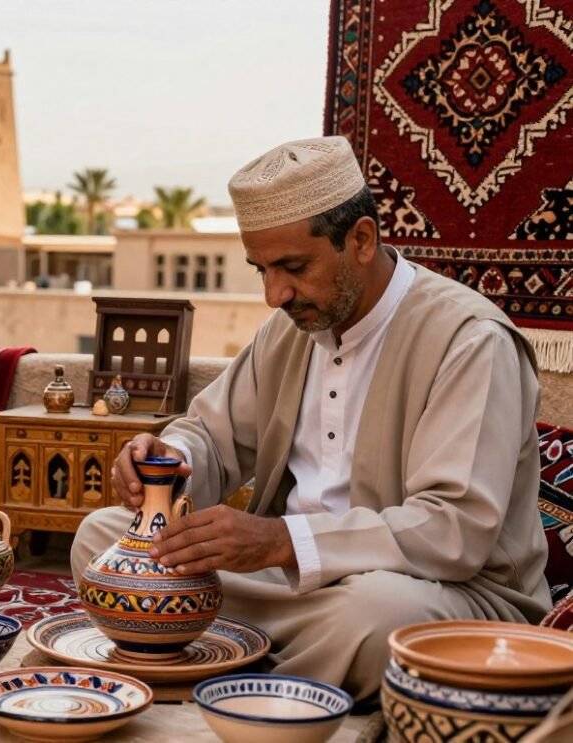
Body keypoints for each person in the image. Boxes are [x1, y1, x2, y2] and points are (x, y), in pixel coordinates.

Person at [70, 136, 551, 699]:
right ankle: (261, 670)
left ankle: (223, 668)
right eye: (261, 271)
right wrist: (173, 460)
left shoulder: (468, 341)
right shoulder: (292, 328)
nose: (274, 294)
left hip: (442, 593)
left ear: (362, 239)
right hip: (291, 586)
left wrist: (280, 542)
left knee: (377, 620)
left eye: (292, 267)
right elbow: (211, 435)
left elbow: (453, 529)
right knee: (99, 538)